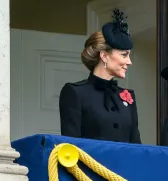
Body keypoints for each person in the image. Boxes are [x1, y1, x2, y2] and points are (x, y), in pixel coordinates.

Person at [58, 9, 141, 144]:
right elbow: (71, 147)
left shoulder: (128, 97)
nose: (129, 62)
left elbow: (136, 146)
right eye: (124, 55)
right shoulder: (75, 92)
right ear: (104, 56)